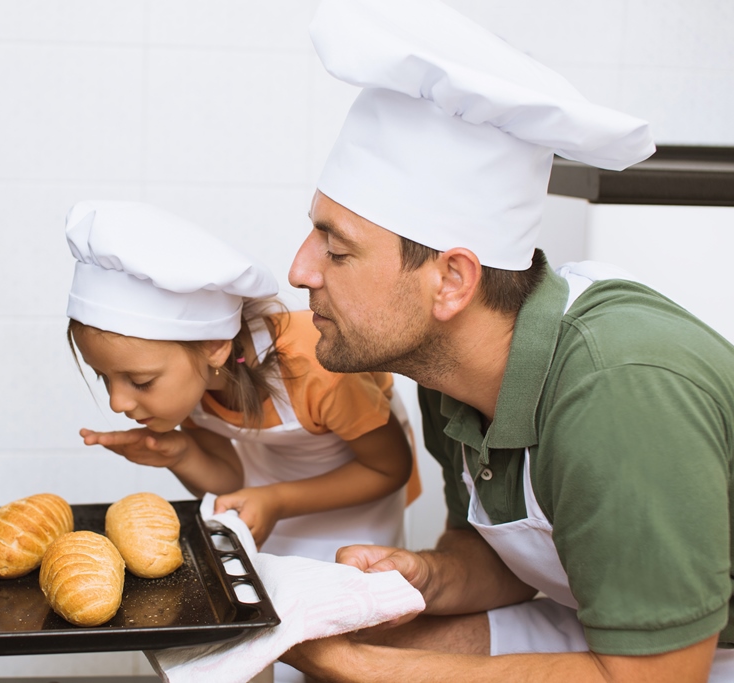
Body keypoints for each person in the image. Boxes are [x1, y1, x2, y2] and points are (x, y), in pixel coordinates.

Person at [277, 0, 734, 681]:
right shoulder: (446, 371)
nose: (299, 270)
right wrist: (429, 573)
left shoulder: (617, 388)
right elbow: (511, 556)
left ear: (452, 280)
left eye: (337, 251)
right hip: (611, 619)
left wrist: (366, 668)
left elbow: (657, 676)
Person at [64, 199, 420, 563]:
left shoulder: (318, 367)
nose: (117, 404)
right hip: (270, 498)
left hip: (357, 494)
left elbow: (389, 468)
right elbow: (230, 481)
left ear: (215, 347)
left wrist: (277, 500)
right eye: (104, 378)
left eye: (140, 382)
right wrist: (180, 454)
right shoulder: (191, 382)